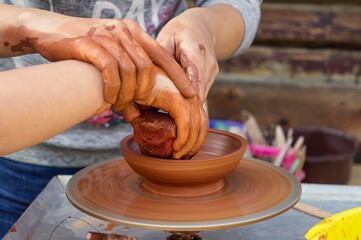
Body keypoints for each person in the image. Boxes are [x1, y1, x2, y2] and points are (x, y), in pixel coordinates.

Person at [0, 0, 261, 237]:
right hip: (24, 160)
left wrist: (204, 25)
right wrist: (36, 25)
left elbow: (239, 5)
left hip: (164, 174)